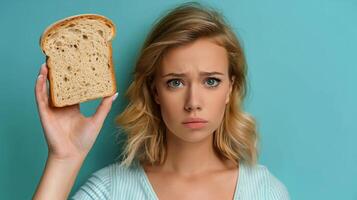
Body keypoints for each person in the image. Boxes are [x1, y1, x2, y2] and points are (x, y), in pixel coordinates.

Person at [33, 2, 290, 200]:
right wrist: (64, 158)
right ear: (155, 90)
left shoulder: (264, 190)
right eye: (175, 82)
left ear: (229, 89)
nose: (193, 102)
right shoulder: (112, 190)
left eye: (211, 81)